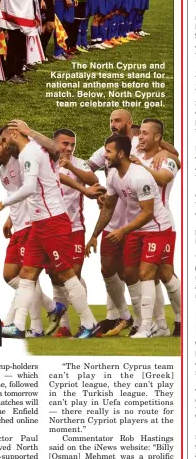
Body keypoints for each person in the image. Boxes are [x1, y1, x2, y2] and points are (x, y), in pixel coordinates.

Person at [0, 120, 97, 339]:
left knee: (66, 274)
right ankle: (19, 326)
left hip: (52, 222)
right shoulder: (32, 151)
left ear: (14, 134)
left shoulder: (29, 153)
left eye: (4, 140)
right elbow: (54, 150)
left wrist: (3, 203)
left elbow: (30, 187)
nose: (3, 145)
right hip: (39, 223)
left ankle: (89, 322)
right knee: (27, 274)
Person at [85, 135, 173, 338]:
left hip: (157, 228)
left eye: (108, 151)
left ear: (121, 153)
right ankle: (145, 323)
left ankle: (147, 327)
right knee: (129, 274)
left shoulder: (140, 176)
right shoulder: (113, 174)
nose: (104, 156)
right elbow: (108, 208)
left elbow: (148, 213)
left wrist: (123, 230)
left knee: (145, 273)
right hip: (136, 229)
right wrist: (94, 235)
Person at [0, 133, 62, 337]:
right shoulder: (2, 169)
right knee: (10, 275)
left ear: (2, 145)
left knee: (27, 278)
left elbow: (30, 190)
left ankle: (25, 325)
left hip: (31, 225)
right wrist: (10, 219)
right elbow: (15, 194)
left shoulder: (21, 159)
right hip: (18, 226)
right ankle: (51, 308)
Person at [134, 119, 181, 336]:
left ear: (157, 137)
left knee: (163, 273)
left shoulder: (166, 160)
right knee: (151, 275)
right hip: (139, 225)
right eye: (140, 133)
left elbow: (163, 179)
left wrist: (167, 153)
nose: (140, 137)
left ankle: (181, 320)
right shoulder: (138, 151)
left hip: (161, 225)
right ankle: (161, 325)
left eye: (145, 133)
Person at [51, 128, 98, 336]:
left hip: (74, 229)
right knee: (57, 277)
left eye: (72, 144)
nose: (69, 148)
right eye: (65, 144)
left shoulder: (79, 163)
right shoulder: (44, 163)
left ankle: (86, 323)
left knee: (73, 275)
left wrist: (69, 164)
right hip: (52, 230)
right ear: (54, 144)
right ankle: (65, 326)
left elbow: (92, 179)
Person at [1, 0, 44, 84]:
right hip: (14, 18)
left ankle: (18, 72)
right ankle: (11, 74)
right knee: (14, 47)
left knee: (21, 47)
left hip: (25, 14)